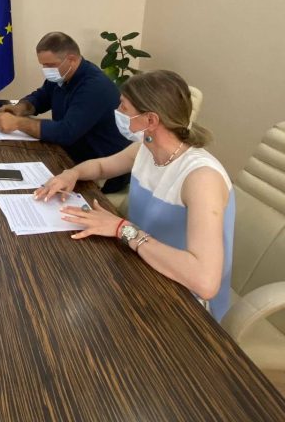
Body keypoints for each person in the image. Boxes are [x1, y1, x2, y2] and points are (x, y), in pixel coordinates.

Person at [35, 70, 235, 320]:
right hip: (143, 265)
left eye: (124, 107)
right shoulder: (146, 148)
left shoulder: (201, 178)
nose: (117, 112)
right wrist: (71, 174)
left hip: (185, 301)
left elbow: (204, 282)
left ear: (150, 120)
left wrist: (122, 228)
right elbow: (101, 167)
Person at [0, 31, 130, 191]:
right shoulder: (62, 75)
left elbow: (66, 132)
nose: (46, 70)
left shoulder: (94, 87)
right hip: (69, 155)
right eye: (43, 65)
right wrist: (20, 108)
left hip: (101, 172)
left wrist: (18, 123)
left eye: (50, 65)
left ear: (71, 59)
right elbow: (42, 97)